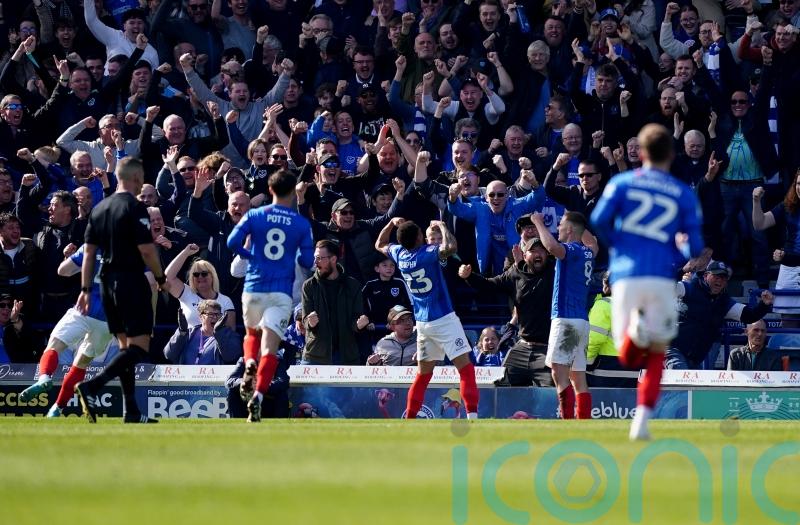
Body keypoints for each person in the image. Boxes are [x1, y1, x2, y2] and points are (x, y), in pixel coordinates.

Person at [591, 123, 705, 441]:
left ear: (640, 153)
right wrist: (680, 245)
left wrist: (620, 246)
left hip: (626, 275)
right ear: (671, 154)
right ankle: (640, 425)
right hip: (661, 277)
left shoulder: (622, 182)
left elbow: (598, 220)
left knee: (628, 356)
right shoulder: (683, 193)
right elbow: (695, 248)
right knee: (657, 354)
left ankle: (636, 331)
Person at [75, 157, 170, 424]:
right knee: (140, 347)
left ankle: (132, 412)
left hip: (104, 283)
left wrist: (84, 289)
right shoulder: (135, 207)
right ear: (137, 177)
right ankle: (92, 386)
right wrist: (161, 278)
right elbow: (147, 249)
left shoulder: (99, 208)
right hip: (129, 280)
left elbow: (89, 255)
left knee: (124, 347)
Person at [226, 169, 314, 422]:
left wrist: (253, 257)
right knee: (271, 350)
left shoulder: (254, 215)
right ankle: (259, 397)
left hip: (254, 286)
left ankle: (249, 363)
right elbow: (308, 260)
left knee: (252, 335)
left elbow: (233, 242)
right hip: (281, 292)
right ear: (292, 190)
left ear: (271, 189)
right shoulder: (300, 223)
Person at [376, 218, 479, 419]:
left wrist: (390, 224)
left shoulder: (399, 254)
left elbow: (379, 244)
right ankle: (473, 418)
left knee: (423, 375)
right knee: (466, 369)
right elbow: (451, 246)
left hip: (422, 324)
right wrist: (442, 225)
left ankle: (410, 418)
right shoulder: (427, 254)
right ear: (418, 238)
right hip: (443, 318)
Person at [18, 244, 115, 414]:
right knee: (82, 363)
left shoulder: (90, 246)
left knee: (55, 345)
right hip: (109, 318)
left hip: (84, 308)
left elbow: (63, 271)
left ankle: (44, 378)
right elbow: (150, 282)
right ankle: (57, 408)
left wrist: (69, 257)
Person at [459, 235, 556, 386]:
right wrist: (469, 276)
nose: (538, 254)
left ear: (547, 254)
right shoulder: (514, 274)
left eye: (542, 251)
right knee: (501, 386)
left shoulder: (554, 272)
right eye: (533, 251)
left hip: (547, 349)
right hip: (522, 347)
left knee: (550, 396)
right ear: (525, 255)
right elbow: (488, 285)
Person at [532, 211, 598, 420]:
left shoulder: (572, 251)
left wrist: (538, 223)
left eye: (560, 224)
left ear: (569, 230)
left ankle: (567, 421)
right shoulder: (589, 252)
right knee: (578, 376)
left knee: (559, 374)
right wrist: (578, 218)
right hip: (581, 321)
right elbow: (594, 243)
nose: (557, 228)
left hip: (566, 319)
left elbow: (551, 247)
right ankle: (583, 422)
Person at [666, 260, 774, 370]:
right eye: (716, 276)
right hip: (674, 349)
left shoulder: (724, 302)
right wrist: (682, 270)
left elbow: (749, 316)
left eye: (723, 278)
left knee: (693, 386)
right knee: (681, 382)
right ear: (706, 276)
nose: (720, 280)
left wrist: (764, 305)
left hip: (695, 358)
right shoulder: (689, 288)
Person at [300, 240, 370, 366]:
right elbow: (305, 319)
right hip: (316, 354)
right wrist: (309, 322)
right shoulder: (309, 286)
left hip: (346, 355)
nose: (315, 262)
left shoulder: (353, 285)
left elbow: (356, 317)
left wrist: (359, 325)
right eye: (315, 258)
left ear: (333, 259)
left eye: (320, 258)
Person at [752, 174, 800, 315]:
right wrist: (756, 201)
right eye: (798, 183)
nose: (799, 188)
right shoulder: (788, 205)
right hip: (789, 269)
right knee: (787, 320)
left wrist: (786, 255)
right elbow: (760, 224)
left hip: (789, 258)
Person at [163, 299, 241, 365]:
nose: (215, 317)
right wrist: (181, 332)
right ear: (201, 317)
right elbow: (169, 355)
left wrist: (219, 333)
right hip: (186, 380)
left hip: (214, 381)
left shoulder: (230, 335)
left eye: (217, 314)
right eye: (210, 314)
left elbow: (231, 357)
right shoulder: (188, 334)